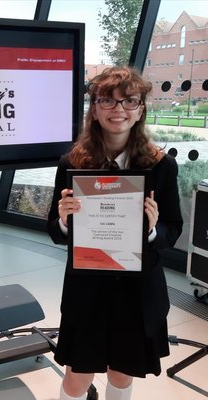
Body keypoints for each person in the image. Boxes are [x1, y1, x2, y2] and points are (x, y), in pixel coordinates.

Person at [47, 66, 183, 400]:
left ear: (140, 111)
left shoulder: (161, 165)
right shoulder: (72, 164)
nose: (118, 110)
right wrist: (64, 221)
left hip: (136, 292)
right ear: (94, 109)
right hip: (87, 289)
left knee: (121, 375)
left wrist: (152, 230)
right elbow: (54, 229)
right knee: (76, 379)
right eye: (107, 101)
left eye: (128, 102)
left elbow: (173, 229)